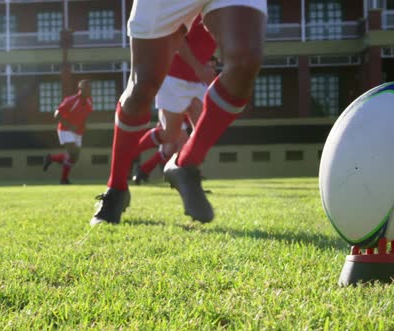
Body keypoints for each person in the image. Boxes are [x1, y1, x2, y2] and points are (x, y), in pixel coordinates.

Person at [91, 1, 267, 225]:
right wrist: (197, 66)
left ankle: (186, 164)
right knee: (142, 89)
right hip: (176, 75)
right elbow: (181, 39)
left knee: (245, 61)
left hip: (195, 81)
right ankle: (117, 187)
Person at [133, 54, 220, 185]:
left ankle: (144, 170)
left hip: (185, 110)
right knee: (178, 142)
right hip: (175, 99)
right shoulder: (182, 72)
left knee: (171, 149)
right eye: (209, 66)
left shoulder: (206, 82)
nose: (212, 69)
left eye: (214, 67)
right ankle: (131, 153)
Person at [43, 79, 92, 185]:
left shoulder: (89, 102)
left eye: (89, 88)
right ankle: (63, 179)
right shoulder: (71, 100)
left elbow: (86, 115)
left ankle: (51, 158)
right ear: (80, 89)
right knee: (72, 152)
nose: (89, 90)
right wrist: (70, 126)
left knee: (74, 158)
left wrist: (83, 126)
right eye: (86, 88)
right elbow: (57, 114)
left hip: (78, 132)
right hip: (65, 130)